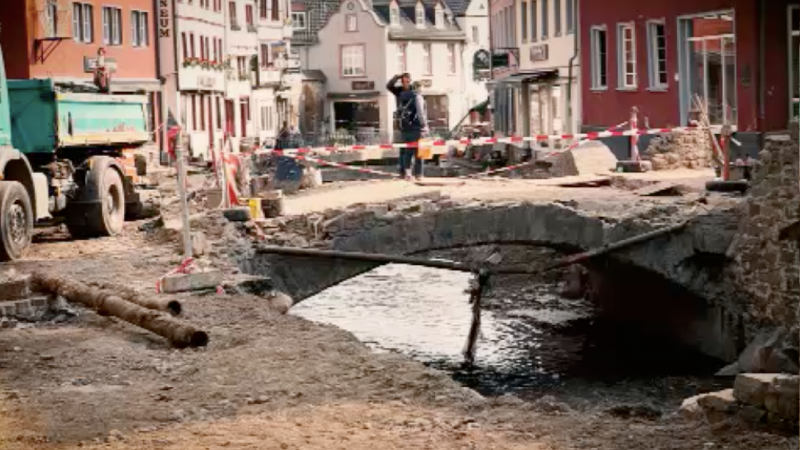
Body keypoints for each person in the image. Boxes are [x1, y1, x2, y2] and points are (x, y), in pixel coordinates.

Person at [387, 74, 429, 180]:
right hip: (414, 126)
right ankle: (417, 174)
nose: (406, 83)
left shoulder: (401, 94)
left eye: (408, 81)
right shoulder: (408, 93)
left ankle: (407, 173)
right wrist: (424, 125)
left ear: (410, 81)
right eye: (404, 81)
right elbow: (420, 113)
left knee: (407, 151)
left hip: (404, 126)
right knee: (415, 151)